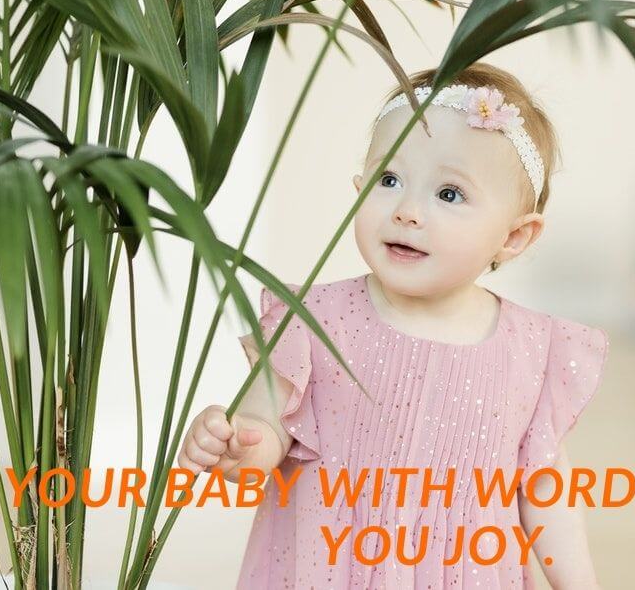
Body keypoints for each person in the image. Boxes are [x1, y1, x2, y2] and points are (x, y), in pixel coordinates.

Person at [178, 62, 609, 589]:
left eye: (449, 194)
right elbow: (264, 435)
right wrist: (239, 445)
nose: (406, 210)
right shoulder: (309, 321)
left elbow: (545, 489)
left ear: (514, 237)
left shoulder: (531, 351)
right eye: (389, 179)